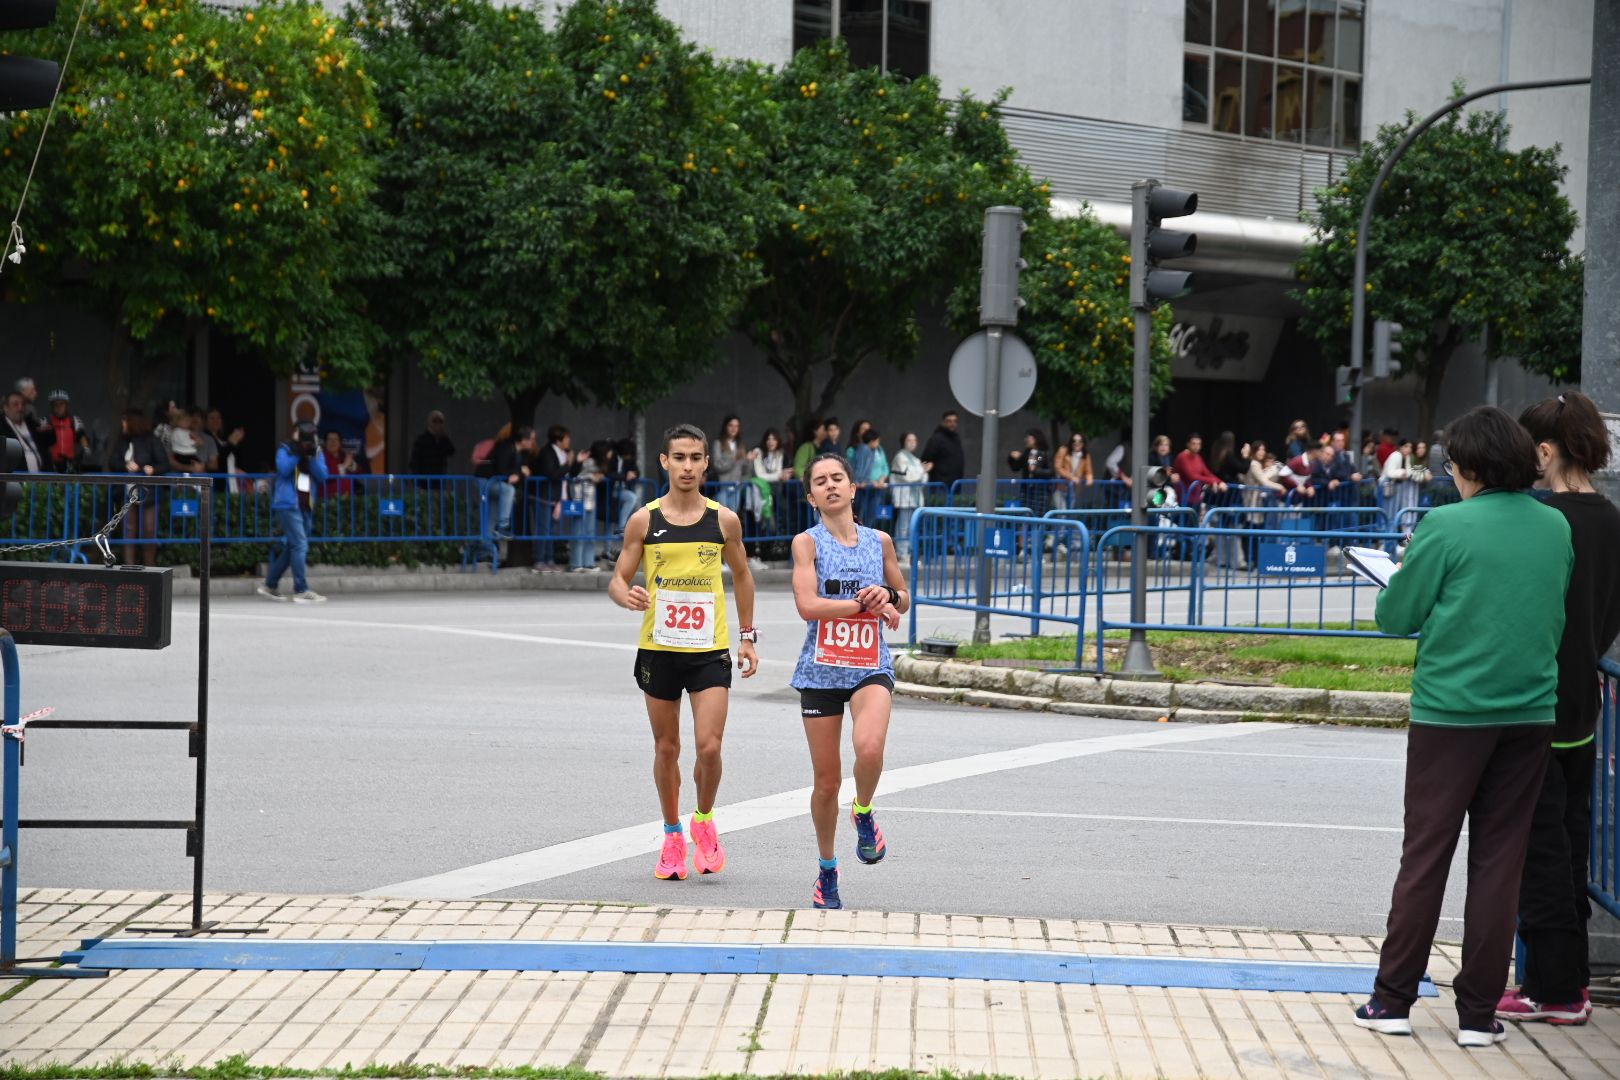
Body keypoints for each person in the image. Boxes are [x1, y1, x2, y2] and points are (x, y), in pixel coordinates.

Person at [1353, 405, 1573, 1049]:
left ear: (1471, 467)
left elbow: (1397, 617)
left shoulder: (1444, 526)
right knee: (1501, 862)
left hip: (1450, 711)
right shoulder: (1554, 526)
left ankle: (1393, 1000)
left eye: (1452, 465)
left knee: (1426, 854)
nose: (1450, 476)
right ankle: (1478, 1014)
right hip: (1529, 710)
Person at [1498, 392, 1620, 1027]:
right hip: (1582, 701)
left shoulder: (1548, 521)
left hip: (1538, 700)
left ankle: (1556, 993)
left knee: (1540, 848)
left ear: (1544, 450)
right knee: (1569, 845)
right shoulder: (1611, 517)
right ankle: (1566, 981)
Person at [608, 423, 759, 882]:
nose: (687, 466)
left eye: (696, 458)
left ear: (706, 463)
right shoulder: (645, 520)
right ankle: (673, 834)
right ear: (665, 462)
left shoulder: (723, 520)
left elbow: (743, 576)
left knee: (709, 747)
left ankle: (704, 820)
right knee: (667, 747)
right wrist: (626, 595)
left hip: (708, 649)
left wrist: (748, 635)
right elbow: (617, 578)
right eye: (679, 457)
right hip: (659, 649)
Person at [791, 452, 908, 910]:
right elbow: (808, 606)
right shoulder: (807, 543)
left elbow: (903, 595)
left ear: (853, 488)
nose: (831, 485)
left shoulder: (879, 541)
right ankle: (827, 870)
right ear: (812, 497)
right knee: (825, 782)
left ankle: (863, 810)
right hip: (821, 670)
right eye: (821, 481)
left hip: (868, 665)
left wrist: (889, 595)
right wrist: (866, 606)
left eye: (838, 477)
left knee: (870, 748)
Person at [257, 421, 331, 603]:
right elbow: (283, 470)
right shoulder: (285, 449)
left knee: (293, 547)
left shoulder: (316, 451)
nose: (308, 438)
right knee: (300, 545)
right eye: (304, 433)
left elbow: (323, 476)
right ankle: (301, 589)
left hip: (305, 504)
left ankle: (270, 585)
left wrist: (311, 455)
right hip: (288, 504)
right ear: (296, 432)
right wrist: (298, 452)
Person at [105, 407, 168, 566]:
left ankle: (150, 567)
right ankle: (129, 566)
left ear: (133, 422)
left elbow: (164, 463)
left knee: (148, 529)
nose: (122, 424)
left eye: (125, 420)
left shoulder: (151, 440)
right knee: (129, 529)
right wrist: (125, 465)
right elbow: (113, 462)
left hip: (149, 492)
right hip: (127, 492)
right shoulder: (123, 440)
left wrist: (152, 469)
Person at [532, 425, 575, 571]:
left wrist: (576, 462)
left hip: (557, 497)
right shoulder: (547, 453)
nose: (569, 441)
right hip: (545, 496)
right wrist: (568, 464)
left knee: (551, 530)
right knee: (543, 529)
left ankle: (549, 559)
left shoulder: (564, 453)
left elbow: (569, 473)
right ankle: (539, 560)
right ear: (558, 440)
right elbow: (553, 474)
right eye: (566, 438)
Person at [490, 426, 537, 541]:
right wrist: (520, 472)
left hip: (498, 483)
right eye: (531, 439)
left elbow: (517, 475)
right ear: (523, 440)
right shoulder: (506, 448)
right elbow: (504, 472)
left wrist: (518, 474)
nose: (533, 442)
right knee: (508, 490)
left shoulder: (521, 453)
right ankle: (503, 526)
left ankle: (484, 547)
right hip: (488, 481)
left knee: (492, 516)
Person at [568, 440, 606, 573]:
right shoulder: (587, 461)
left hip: (589, 498)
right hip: (579, 497)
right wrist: (591, 475)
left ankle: (584, 563)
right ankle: (578, 563)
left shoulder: (597, 463)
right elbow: (574, 475)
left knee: (587, 530)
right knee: (580, 530)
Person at [888, 432, 927, 559]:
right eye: (909, 440)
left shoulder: (915, 460)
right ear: (904, 442)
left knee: (913, 526)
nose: (912, 443)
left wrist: (921, 472)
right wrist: (922, 470)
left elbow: (923, 479)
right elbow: (909, 477)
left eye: (914, 440)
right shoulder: (900, 457)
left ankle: (910, 553)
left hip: (915, 498)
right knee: (903, 525)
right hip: (904, 497)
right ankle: (902, 552)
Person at [751, 429, 790, 553]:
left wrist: (778, 475)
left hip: (775, 491)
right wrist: (778, 476)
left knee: (778, 516)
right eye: (768, 439)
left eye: (774, 439)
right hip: (760, 491)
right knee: (762, 519)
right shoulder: (758, 452)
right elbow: (759, 475)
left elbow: (777, 471)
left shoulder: (779, 453)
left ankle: (776, 547)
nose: (771, 441)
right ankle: (761, 549)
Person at [1006, 428, 1055, 516]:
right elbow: (1016, 467)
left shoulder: (1043, 454)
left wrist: (1036, 469)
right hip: (1026, 489)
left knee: (1039, 513)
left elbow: (1047, 468)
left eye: (1029, 438)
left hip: (1040, 489)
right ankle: (1025, 528)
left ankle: (1038, 528)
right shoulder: (1027, 454)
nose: (1026, 440)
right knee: (1025, 512)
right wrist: (1011, 457)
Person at [41, 390, 91, 473]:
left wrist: (86, 448)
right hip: (51, 463)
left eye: (61, 404)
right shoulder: (45, 421)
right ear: (52, 407)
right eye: (56, 405)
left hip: (70, 463)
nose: (59, 407)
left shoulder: (74, 421)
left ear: (66, 405)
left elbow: (82, 436)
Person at [1173, 433, 1224, 505]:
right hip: (1184, 497)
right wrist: (1212, 481)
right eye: (1193, 444)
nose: (1196, 446)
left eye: (1198, 444)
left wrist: (1220, 482)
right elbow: (1192, 476)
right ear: (1188, 444)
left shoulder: (1198, 457)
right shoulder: (1182, 457)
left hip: (1196, 498)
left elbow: (1207, 473)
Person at [920, 411, 964, 492]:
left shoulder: (956, 438)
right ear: (943, 422)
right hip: (940, 487)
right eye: (949, 421)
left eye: (955, 421)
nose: (952, 424)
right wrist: (924, 474)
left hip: (955, 485)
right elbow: (924, 460)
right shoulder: (936, 439)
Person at [851, 426, 888, 524]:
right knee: (861, 513)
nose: (878, 444)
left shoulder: (865, 449)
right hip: (861, 486)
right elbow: (861, 468)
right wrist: (862, 481)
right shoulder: (865, 450)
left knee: (862, 513)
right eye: (877, 441)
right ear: (872, 441)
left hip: (863, 485)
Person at [2, 392, 43, 472]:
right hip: (14, 479)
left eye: (23, 404)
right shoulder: (2, 428)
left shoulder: (33, 425)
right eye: (15, 404)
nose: (20, 408)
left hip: (41, 479)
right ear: (6, 408)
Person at [1054, 432, 1093, 507]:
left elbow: (1088, 471)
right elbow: (1058, 467)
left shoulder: (1085, 455)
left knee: (1070, 514)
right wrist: (1071, 477)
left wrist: (1089, 477)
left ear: (1083, 443)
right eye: (1074, 441)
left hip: (1074, 490)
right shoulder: (1063, 450)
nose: (1076, 443)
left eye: (1080, 441)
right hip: (1061, 488)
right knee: (1062, 515)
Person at [320, 430, 360, 497]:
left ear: (340, 442)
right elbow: (329, 474)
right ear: (325, 442)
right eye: (330, 439)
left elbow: (359, 472)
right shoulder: (321, 457)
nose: (333, 442)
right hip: (329, 499)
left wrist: (351, 463)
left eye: (336, 439)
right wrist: (345, 465)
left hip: (348, 499)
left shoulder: (343, 455)